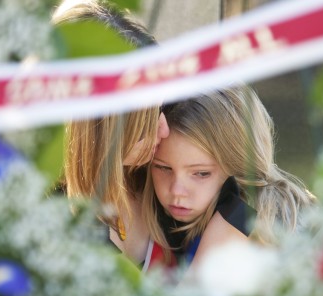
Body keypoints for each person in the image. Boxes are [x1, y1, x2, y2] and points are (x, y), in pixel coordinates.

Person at [52, 0, 255, 270]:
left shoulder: (160, 174)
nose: (164, 128)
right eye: (146, 119)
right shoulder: (41, 218)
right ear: (102, 129)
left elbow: (266, 207)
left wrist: (230, 226)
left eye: (161, 107)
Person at [141, 85, 316, 269]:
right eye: (163, 168)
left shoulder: (242, 217)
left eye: (201, 173)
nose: (177, 190)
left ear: (240, 165)